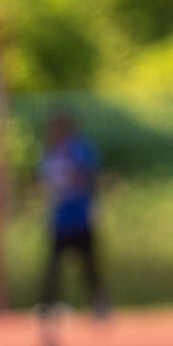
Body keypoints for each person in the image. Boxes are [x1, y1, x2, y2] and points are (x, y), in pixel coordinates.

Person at [37, 110, 109, 318]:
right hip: (61, 220)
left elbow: (90, 177)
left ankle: (98, 303)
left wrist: (94, 207)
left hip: (80, 218)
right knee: (53, 266)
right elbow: (47, 185)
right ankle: (48, 306)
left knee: (89, 265)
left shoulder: (79, 150)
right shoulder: (50, 154)